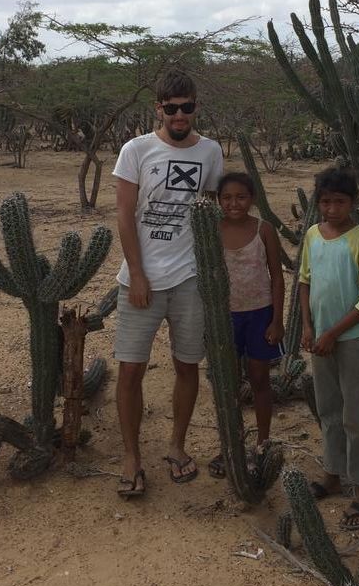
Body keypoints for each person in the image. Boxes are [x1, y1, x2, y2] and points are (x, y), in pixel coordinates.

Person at [112, 69, 224, 497]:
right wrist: (137, 274)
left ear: (196, 106)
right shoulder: (136, 149)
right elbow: (124, 214)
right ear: (159, 109)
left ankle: (176, 446)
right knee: (130, 369)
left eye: (188, 107)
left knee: (186, 365)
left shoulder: (211, 152)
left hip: (191, 278)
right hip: (141, 280)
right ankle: (131, 455)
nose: (180, 115)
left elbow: (212, 211)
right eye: (172, 108)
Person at [299, 166, 359, 529]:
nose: (333, 209)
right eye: (326, 202)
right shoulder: (313, 235)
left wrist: (333, 333)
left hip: (349, 339)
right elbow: (304, 280)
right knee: (328, 409)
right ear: (318, 203)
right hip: (320, 337)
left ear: (353, 203)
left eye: (340, 202)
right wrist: (307, 325)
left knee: (355, 414)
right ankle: (333, 473)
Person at [208, 172, 285, 478]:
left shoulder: (264, 230)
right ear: (218, 201)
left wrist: (277, 320)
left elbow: (277, 277)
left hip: (260, 313)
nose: (233, 203)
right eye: (226, 198)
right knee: (227, 383)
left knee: (259, 379)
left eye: (241, 197)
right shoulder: (211, 230)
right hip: (226, 316)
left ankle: (263, 441)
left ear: (252, 199)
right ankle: (231, 443)